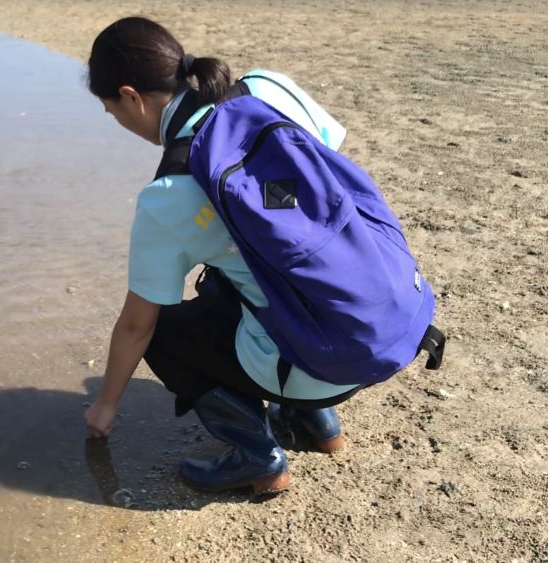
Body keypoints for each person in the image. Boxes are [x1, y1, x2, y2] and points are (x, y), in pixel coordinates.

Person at [83, 17, 372, 495]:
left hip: (320, 365)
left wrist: (105, 407)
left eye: (112, 111)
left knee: (161, 329)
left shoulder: (169, 194)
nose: (119, 122)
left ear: (131, 96)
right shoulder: (268, 86)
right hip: (374, 330)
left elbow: (137, 325)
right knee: (233, 272)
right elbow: (328, 187)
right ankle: (318, 423)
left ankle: (257, 458)